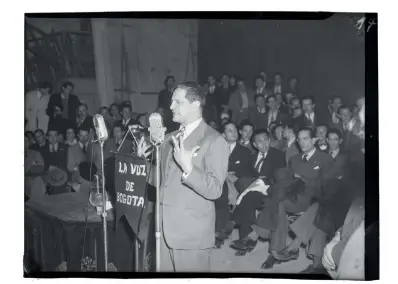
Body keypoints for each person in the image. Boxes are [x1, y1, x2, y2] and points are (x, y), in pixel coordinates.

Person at [146, 82, 229, 272]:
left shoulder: (214, 139)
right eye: (171, 101)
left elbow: (215, 189)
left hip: (190, 235)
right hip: (163, 230)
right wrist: (142, 165)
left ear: (195, 104)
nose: (171, 106)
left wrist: (188, 168)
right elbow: (160, 182)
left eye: (177, 102)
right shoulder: (169, 138)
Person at [214, 122, 252, 248]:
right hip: (221, 182)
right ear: (223, 135)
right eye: (230, 131)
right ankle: (220, 232)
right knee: (221, 194)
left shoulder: (244, 151)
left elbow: (247, 170)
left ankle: (229, 234)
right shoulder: (216, 149)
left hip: (237, 182)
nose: (234, 132)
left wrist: (230, 174)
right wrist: (224, 174)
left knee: (229, 194)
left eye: (235, 130)